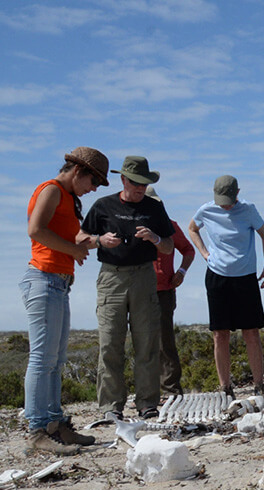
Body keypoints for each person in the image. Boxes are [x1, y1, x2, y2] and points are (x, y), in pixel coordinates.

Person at [21, 147, 107, 455]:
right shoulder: (52, 189)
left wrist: (89, 244)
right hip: (43, 280)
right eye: (93, 182)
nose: (93, 189)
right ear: (78, 172)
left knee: (56, 360)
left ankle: (56, 426)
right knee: (42, 359)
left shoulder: (69, 198)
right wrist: (72, 251)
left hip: (58, 282)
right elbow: (36, 230)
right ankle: (37, 430)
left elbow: (68, 237)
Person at [82, 155, 175, 420]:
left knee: (146, 341)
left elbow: (168, 246)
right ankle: (111, 406)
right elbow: (81, 237)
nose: (140, 189)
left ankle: (147, 403)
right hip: (111, 278)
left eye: (144, 184)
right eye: (136, 183)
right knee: (110, 343)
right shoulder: (103, 205)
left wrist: (154, 237)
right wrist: (100, 240)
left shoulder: (155, 208)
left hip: (144, 277)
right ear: (123, 179)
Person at [187, 175, 264, 400]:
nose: (225, 205)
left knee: (251, 332)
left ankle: (259, 384)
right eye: (221, 200)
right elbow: (192, 229)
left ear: (238, 192)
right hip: (218, 277)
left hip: (245, 277)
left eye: (229, 200)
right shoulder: (207, 210)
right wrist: (205, 254)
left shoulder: (248, 209)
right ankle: (225, 387)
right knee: (219, 334)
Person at [147, 187, 195, 399]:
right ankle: (146, 392)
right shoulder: (133, 227)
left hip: (164, 291)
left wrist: (182, 272)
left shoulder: (170, 226)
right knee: (142, 343)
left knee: (164, 342)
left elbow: (188, 249)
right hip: (139, 290)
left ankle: (171, 390)